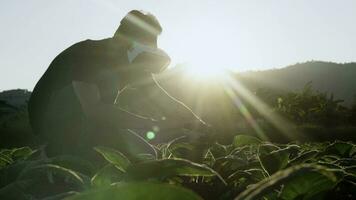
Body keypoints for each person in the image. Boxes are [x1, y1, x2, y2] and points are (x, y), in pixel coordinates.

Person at [28, 10, 205, 159]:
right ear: (128, 40)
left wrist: (199, 124)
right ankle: (55, 150)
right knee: (126, 153)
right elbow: (94, 109)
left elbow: (163, 99)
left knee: (147, 155)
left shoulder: (129, 61)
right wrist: (151, 124)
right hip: (51, 120)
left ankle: (82, 147)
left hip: (92, 123)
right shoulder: (89, 53)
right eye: (147, 42)